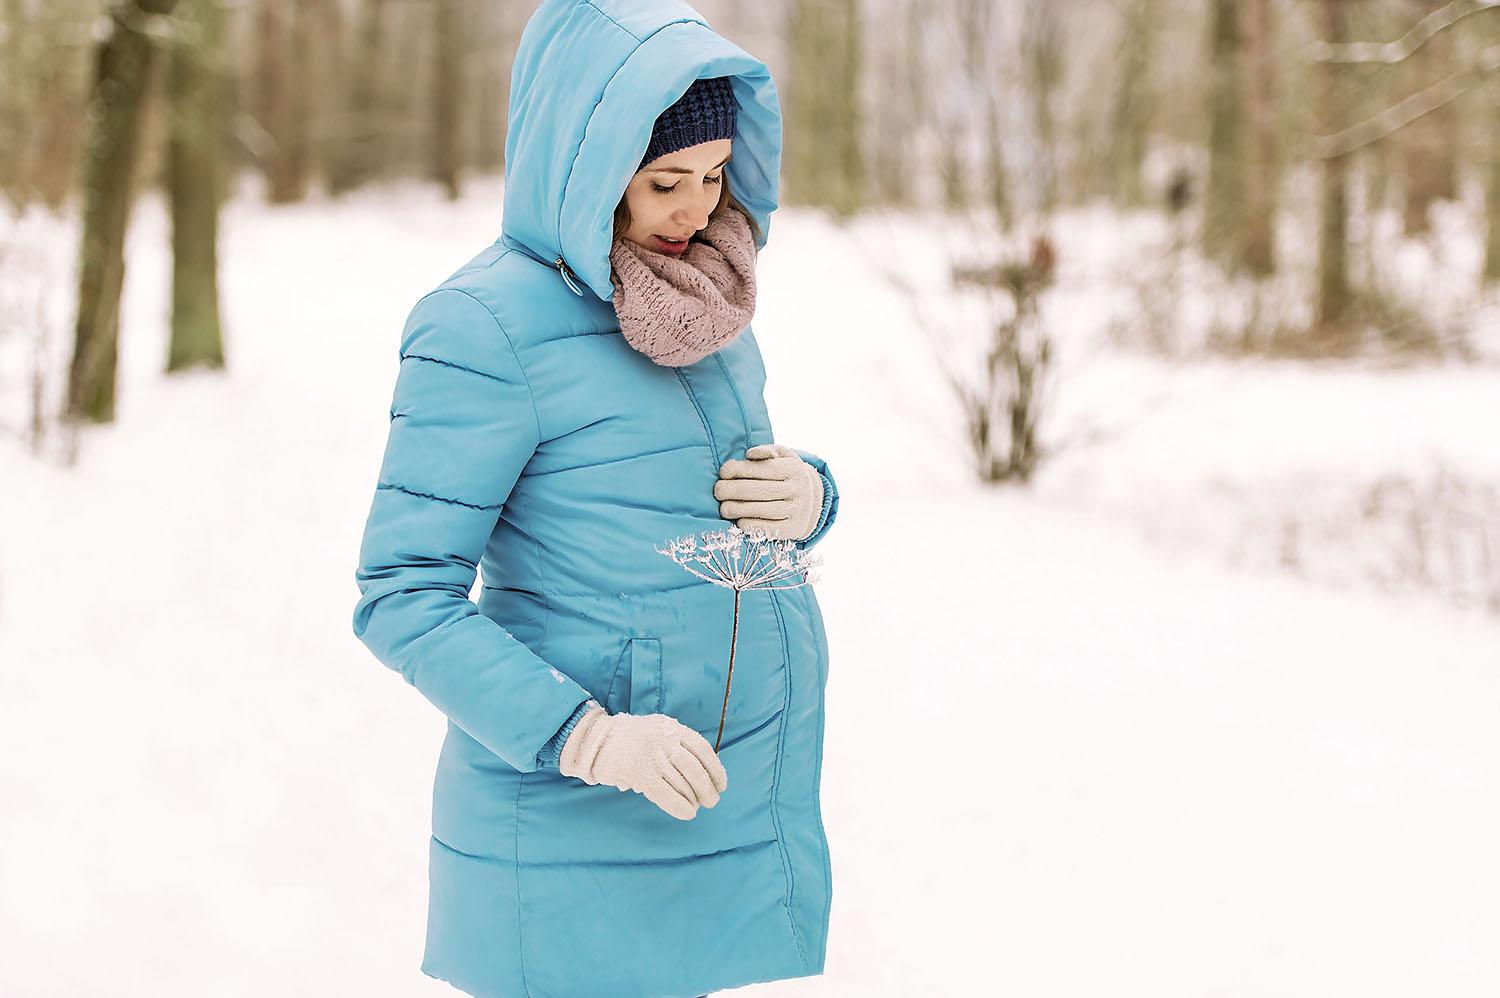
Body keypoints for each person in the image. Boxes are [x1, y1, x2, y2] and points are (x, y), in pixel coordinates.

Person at [351, 2, 839, 996]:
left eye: (715, 176)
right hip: (572, 817)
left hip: (705, 800)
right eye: (665, 181)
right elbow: (402, 593)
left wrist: (809, 497)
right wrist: (586, 736)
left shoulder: (699, 298)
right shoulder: (483, 326)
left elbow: (697, 500)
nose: (696, 210)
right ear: (587, 163)